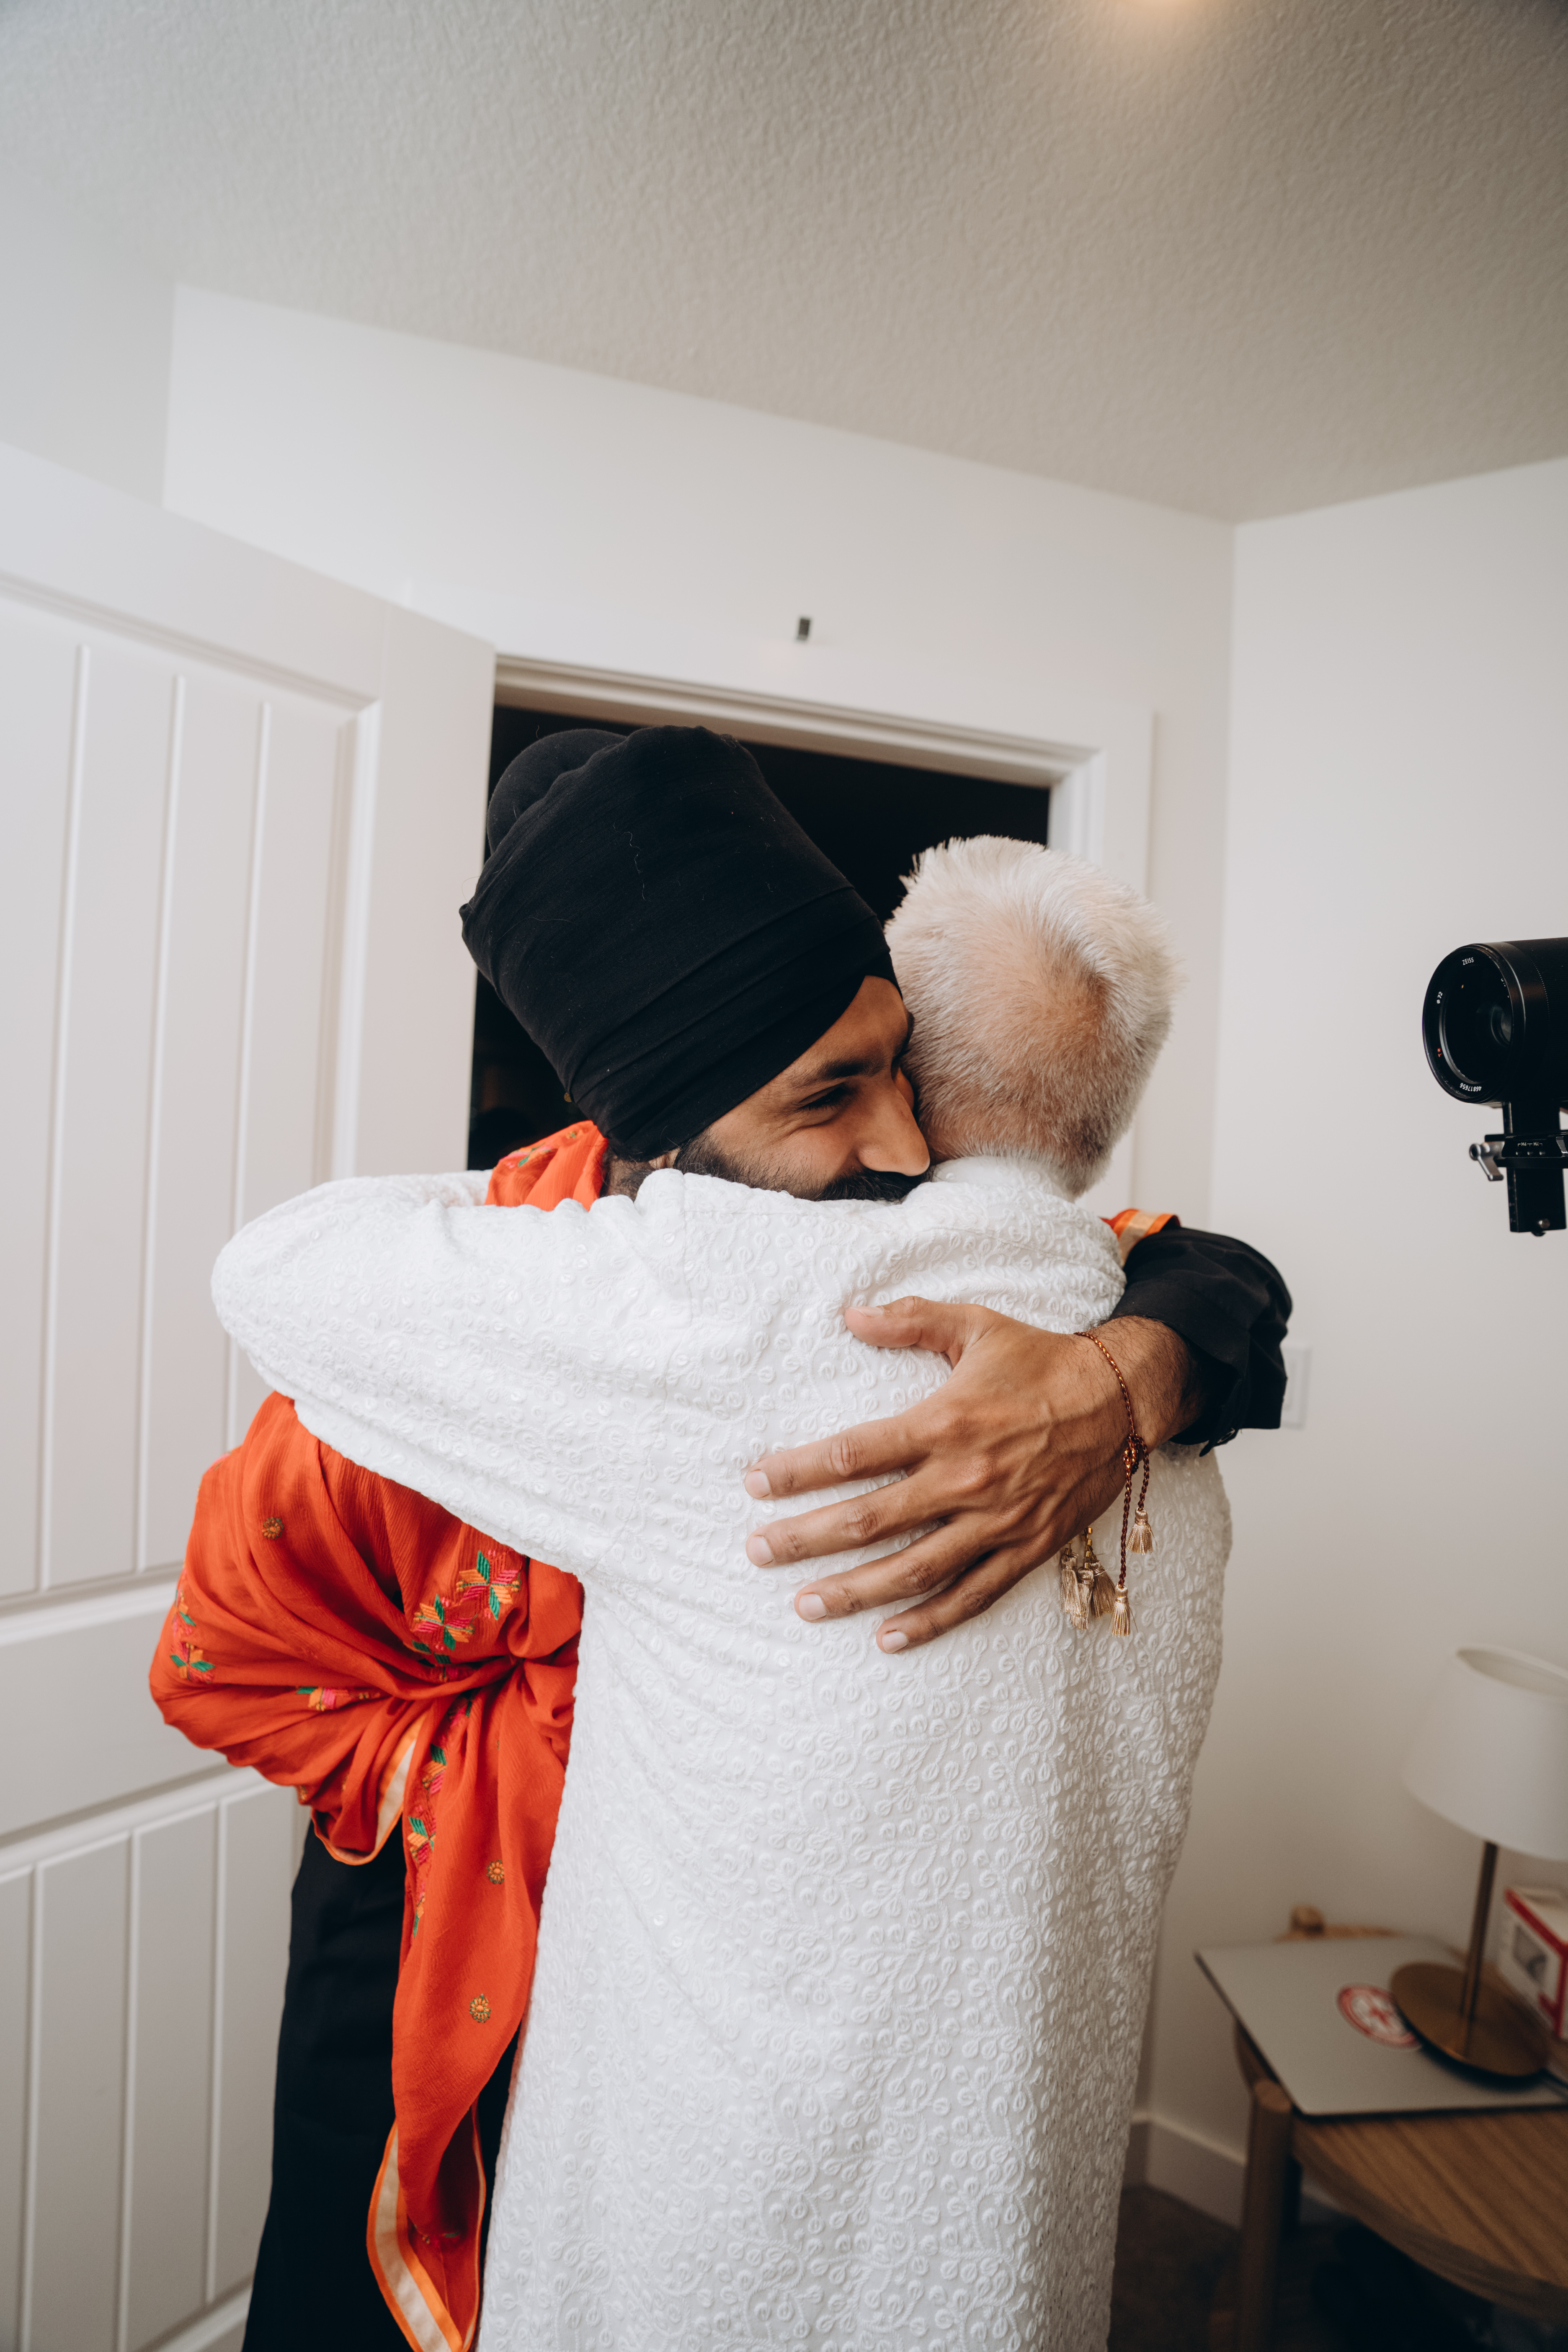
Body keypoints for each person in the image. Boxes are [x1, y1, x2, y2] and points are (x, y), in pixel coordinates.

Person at [151, 727, 1286, 2351]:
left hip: (736, 1975)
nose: (910, 1148)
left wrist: (1128, 1373)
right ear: (656, 1138)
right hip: (439, 1898)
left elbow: (1181, 1268)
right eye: (832, 1095)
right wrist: (515, 1761)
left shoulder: (913, 1288)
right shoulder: (500, 1310)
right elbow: (230, 1652)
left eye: (901, 1067)